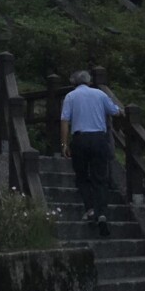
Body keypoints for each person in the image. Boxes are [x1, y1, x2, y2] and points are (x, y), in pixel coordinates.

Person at [61, 70, 123, 237]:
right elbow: (115, 111)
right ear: (89, 81)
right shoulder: (100, 94)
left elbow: (65, 120)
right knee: (100, 179)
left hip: (80, 139)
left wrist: (64, 144)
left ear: (74, 83)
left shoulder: (70, 96)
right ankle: (102, 213)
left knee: (82, 177)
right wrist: (120, 111)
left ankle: (89, 209)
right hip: (99, 139)